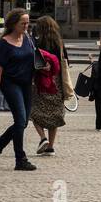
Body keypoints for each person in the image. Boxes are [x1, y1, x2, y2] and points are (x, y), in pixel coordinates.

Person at [0, 9, 38, 170]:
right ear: (13, 24)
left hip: (26, 84)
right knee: (20, 120)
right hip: (10, 84)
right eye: (23, 23)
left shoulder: (28, 39)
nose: (26, 25)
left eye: (27, 22)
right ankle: (20, 159)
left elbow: (34, 59)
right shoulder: (4, 43)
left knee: (22, 123)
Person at [30, 15, 72, 156]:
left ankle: (43, 138)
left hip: (41, 82)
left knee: (34, 112)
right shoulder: (59, 43)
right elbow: (66, 62)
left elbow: (34, 61)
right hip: (56, 83)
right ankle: (50, 147)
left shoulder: (37, 42)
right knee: (54, 115)